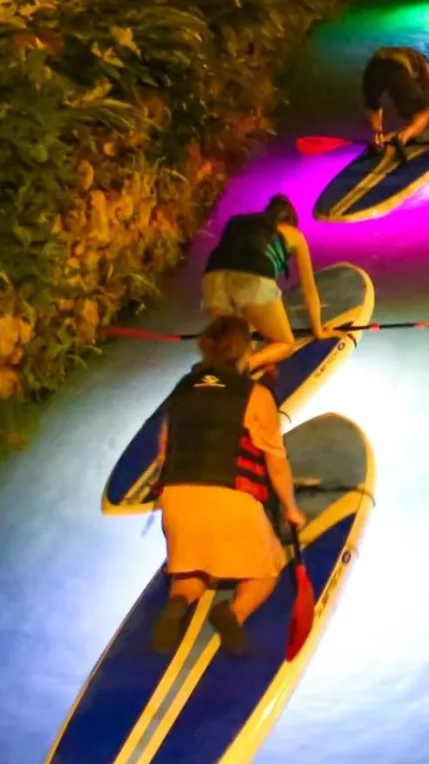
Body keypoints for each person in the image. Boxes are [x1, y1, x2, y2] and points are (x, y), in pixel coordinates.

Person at [150, 316, 305, 657]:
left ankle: (180, 599)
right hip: (230, 504)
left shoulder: (182, 387)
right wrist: (292, 510)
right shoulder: (256, 395)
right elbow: (275, 461)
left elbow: (164, 452)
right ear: (245, 353)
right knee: (269, 568)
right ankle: (234, 612)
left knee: (194, 565)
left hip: (177, 504)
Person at [202, 194, 325, 368]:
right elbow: (309, 290)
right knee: (285, 344)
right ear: (290, 220)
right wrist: (318, 331)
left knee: (237, 340)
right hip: (253, 280)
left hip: (212, 279)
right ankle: (246, 366)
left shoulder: (245, 224)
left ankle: (223, 372)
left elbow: (231, 262)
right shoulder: (295, 235)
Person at [362, 46, 429, 151]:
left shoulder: (407, 56)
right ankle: (402, 138)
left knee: (374, 105)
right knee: (423, 114)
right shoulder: (425, 69)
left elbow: (373, 105)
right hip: (396, 67)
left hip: (373, 66)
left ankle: (377, 140)